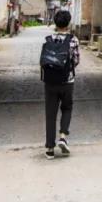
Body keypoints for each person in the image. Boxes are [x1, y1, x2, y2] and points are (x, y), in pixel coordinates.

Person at [40, 9, 79, 160]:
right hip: (67, 81)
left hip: (50, 81)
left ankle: (50, 148)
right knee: (67, 108)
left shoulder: (48, 39)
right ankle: (63, 137)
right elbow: (76, 61)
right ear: (68, 23)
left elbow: (43, 61)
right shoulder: (73, 40)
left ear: (55, 23)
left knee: (50, 113)